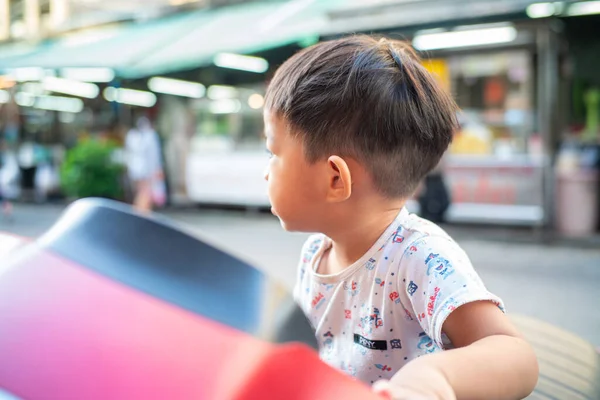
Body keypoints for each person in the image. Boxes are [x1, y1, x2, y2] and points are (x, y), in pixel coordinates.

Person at [263, 36, 538, 399]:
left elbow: (516, 356)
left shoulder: (418, 257)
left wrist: (433, 379)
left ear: (335, 179)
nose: (267, 172)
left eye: (273, 152)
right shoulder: (315, 252)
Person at [125, 117, 165, 213]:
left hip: (137, 170)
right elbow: (154, 155)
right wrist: (157, 169)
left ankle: (143, 212)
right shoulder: (149, 136)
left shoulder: (133, 136)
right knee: (145, 192)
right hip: (144, 171)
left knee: (144, 192)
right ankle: (141, 212)